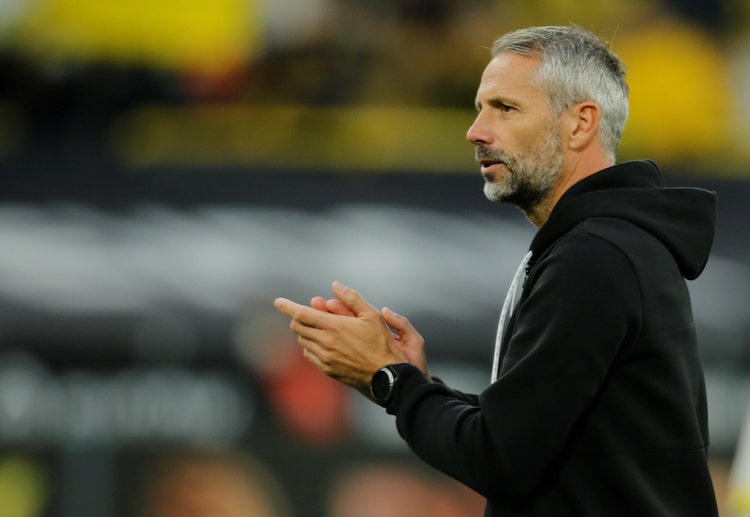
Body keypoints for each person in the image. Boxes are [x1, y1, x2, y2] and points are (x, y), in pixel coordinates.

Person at [273, 25, 720, 516]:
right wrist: (414, 381)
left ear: (580, 124)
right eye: (480, 108)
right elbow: (531, 433)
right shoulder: (603, 246)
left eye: (505, 108)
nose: (476, 131)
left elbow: (501, 458)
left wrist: (389, 379)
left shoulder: (595, 257)